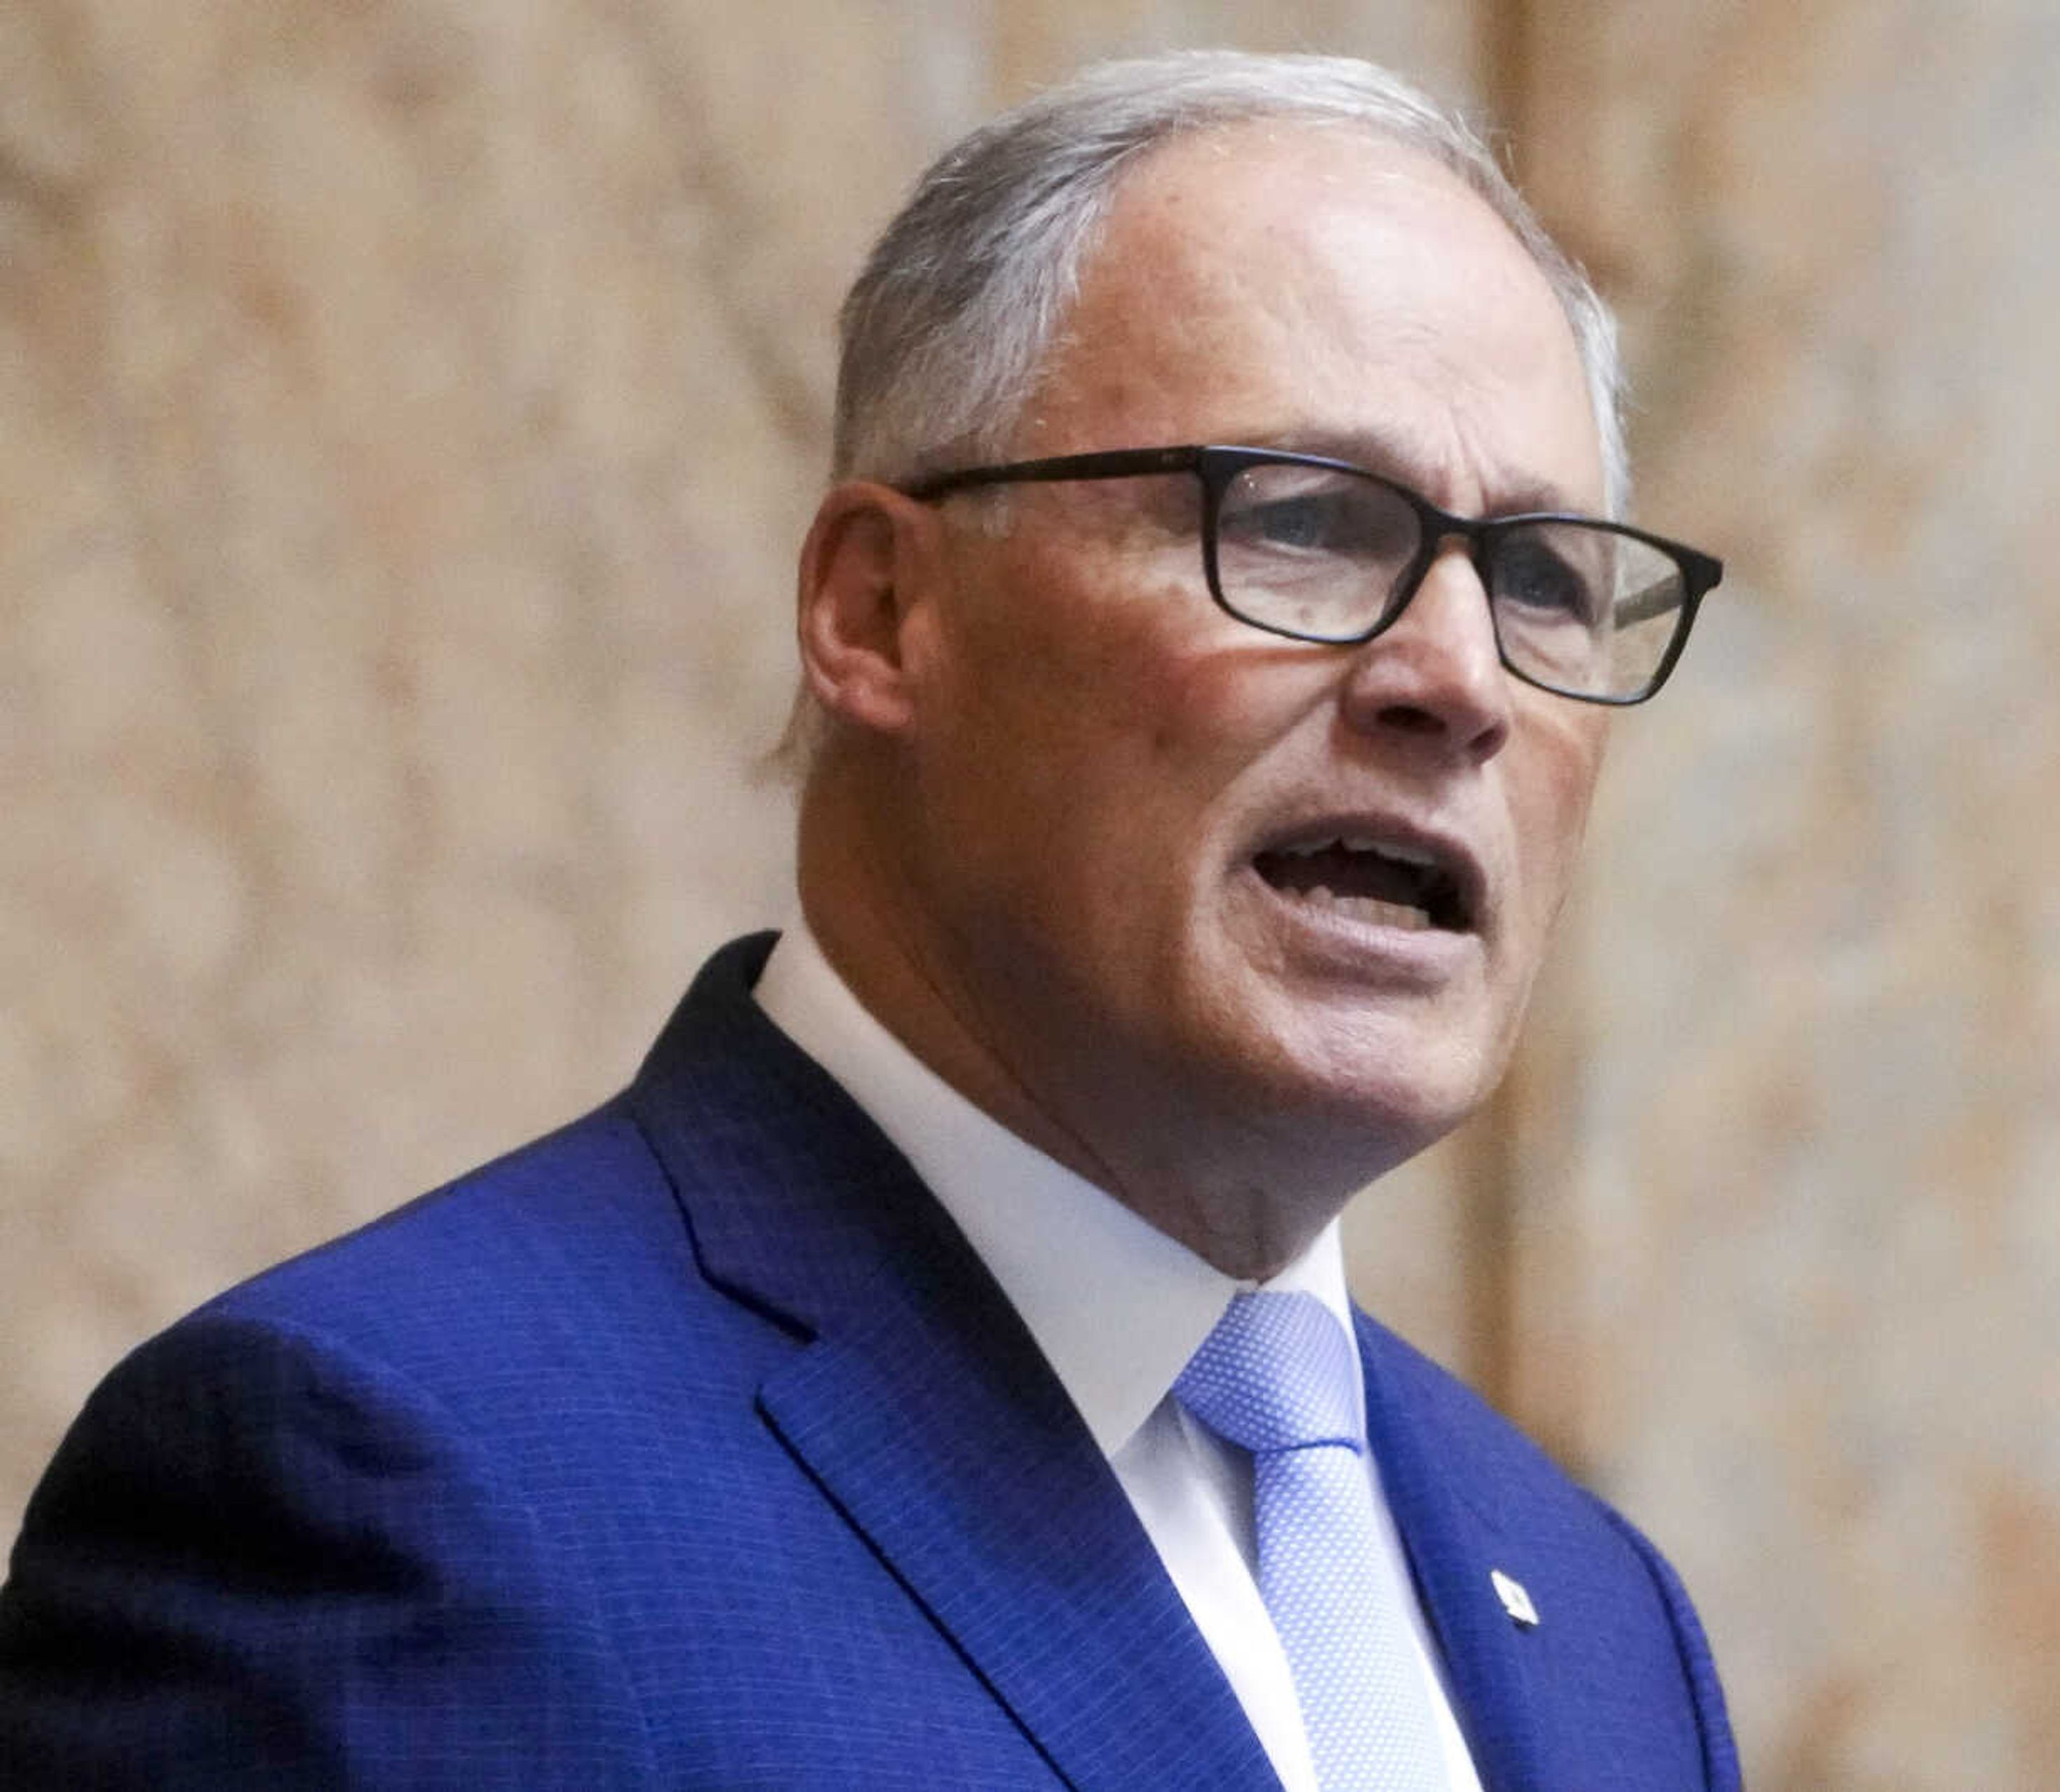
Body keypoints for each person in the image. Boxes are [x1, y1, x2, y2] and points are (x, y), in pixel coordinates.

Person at [0, 49, 1735, 1790]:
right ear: (881, 610)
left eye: (1539, 579)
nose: (1455, 680)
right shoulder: (383, 1497)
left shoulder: (1600, 1623)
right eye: (1294, 524)